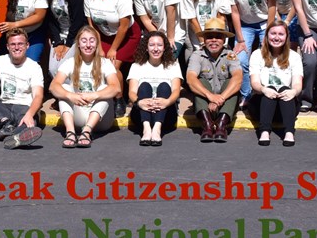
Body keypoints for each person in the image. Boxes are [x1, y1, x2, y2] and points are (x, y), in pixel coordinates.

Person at [50, 25, 122, 148]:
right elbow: (53, 86)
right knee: (65, 88)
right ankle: (70, 132)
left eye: (92, 40)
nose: (88, 45)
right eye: (84, 41)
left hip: (101, 119)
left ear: (97, 43)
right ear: (78, 44)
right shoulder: (70, 62)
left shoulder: (105, 63)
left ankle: (87, 132)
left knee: (104, 88)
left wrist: (95, 95)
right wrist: (70, 96)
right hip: (79, 114)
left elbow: (116, 88)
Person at [228, 0, 276, 102]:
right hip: (245, 25)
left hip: (266, 23)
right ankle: (247, 95)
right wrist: (240, 40)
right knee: (240, 60)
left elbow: (272, 6)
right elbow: (234, 11)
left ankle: (265, 92)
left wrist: (268, 34)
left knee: (268, 57)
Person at [186, 15, 244, 143]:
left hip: (225, 105)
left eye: (218, 37)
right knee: (199, 81)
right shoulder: (197, 55)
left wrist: (220, 98)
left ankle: (221, 126)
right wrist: (210, 96)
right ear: (204, 39)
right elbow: (190, 79)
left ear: (223, 39)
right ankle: (206, 127)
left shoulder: (230, 55)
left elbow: (238, 78)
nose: (213, 40)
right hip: (205, 104)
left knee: (231, 82)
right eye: (209, 37)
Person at [249, 21, 302, 147]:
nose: (276, 37)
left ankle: (289, 132)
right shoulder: (257, 55)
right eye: (273, 34)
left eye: (280, 34)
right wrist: (264, 89)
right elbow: (254, 82)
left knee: (285, 88)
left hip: (286, 107)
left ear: (286, 37)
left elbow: (297, 83)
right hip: (261, 105)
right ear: (267, 36)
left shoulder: (294, 56)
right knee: (270, 88)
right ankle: (264, 131)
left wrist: (293, 91)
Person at [127, 30, 182, 146]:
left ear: (164, 48)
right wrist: (139, 102)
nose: (156, 49)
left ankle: (157, 129)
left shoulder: (173, 65)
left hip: (166, 115)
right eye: (151, 45)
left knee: (164, 86)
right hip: (141, 114)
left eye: (159, 45)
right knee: (144, 86)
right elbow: (132, 92)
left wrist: (167, 102)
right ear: (146, 48)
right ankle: (146, 129)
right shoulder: (137, 66)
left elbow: (176, 91)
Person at [84, 0, 138, 65]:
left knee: (112, 67)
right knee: (98, 65)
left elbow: (123, 27)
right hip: (103, 37)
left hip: (126, 36)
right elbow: (92, 26)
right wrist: (99, 47)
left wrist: (113, 49)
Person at [43, 0, 85, 77]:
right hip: (59, 35)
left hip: (76, 35)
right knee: (52, 69)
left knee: (64, 68)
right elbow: (50, 20)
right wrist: (58, 42)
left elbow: (78, 20)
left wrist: (68, 44)